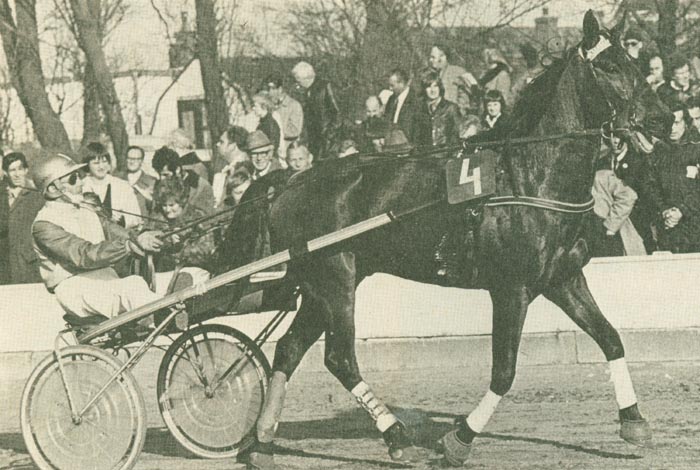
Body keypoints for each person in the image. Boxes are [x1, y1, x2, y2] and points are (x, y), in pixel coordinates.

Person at [31, 154, 164, 319]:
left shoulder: (85, 209)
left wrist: (150, 237)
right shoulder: (44, 225)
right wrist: (129, 246)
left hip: (106, 280)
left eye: (80, 176)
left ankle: (168, 312)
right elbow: (83, 254)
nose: (81, 182)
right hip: (75, 287)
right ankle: (167, 313)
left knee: (136, 282)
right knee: (130, 290)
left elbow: (116, 232)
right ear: (53, 189)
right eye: (73, 179)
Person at [651, 104, 700, 253]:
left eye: (677, 122)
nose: (672, 128)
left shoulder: (696, 149)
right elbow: (651, 185)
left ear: (686, 123)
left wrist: (682, 211)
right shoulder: (658, 151)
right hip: (667, 227)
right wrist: (664, 210)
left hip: (695, 228)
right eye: (668, 123)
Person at [149, 177, 216, 274]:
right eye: (164, 205)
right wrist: (167, 240)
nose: (167, 210)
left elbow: (205, 251)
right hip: (163, 272)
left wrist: (180, 247)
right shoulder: (158, 214)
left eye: (171, 205)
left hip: (193, 271)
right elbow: (148, 236)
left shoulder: (197, 216)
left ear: (182, 202)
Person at [3, 152, 44, 283]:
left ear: (26, 170)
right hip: (4, 261)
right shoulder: (2, 196)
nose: (17, 174)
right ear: (5, 173)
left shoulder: (36, 197)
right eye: (12, 170)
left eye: (20, 169)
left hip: (27, 261)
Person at [81, 142, 143, 229]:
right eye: (96, 163)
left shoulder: (123, 186)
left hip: (119, 234)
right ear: (87, 165)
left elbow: (137, 218)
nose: (101, 167)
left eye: (104, 162)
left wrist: (122, 220)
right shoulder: (81, 186)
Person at [292, 61, 340, 160]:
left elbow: (338, 113)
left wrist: (329, 134)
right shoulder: (308, 91)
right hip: (316, 141)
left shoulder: (326, 86)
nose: (298, 85)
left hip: (329, 141)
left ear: (307, 78)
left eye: (299, 81)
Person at [152, 146, 215, 215]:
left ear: (177, 170)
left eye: (166, 175)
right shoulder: (159, 184)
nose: (162, 179)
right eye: (159, 174)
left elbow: (205, 216)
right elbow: (155, 213)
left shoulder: (201, 187)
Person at [384, 68, 431, 147]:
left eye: (392, 85)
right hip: (391, 146)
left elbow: (422, 131)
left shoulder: (417, 101)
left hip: (409, 148)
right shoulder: (391, 99)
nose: (390, 88)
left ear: (401, 83)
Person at [264, 73, 303, 159]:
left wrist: (274, 130)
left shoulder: (294, 105)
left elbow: (295, 131)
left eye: (273, 89)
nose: (270, 92)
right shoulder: (268, 105)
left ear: (280, 89)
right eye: (268, 89)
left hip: (287, 151)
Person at [212, 126, 249, 208]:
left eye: (221, 142)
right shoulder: (231, 167)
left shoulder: (242, 169)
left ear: (232, 146)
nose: (217, 144)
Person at [115, 145, 157, 218]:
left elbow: (156, 208)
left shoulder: (151, 182)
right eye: (129, 158)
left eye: (136, 159)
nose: (132, 162)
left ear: (141, 161)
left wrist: (150, 200)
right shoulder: (117, 179)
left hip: (143, 222)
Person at [421, 70, 461, 147]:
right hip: (427, 152)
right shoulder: (421, 109)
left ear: (440, 88)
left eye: (435, 86)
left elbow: (456, 136)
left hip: (445, 152)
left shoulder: (451, 108)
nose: (432, 90)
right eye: (429, 86)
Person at [252, 92, 282, 157]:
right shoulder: (264, 122)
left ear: (264, 107)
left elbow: (272, 147)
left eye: (255, 106)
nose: (253, 108)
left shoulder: (270, 124)